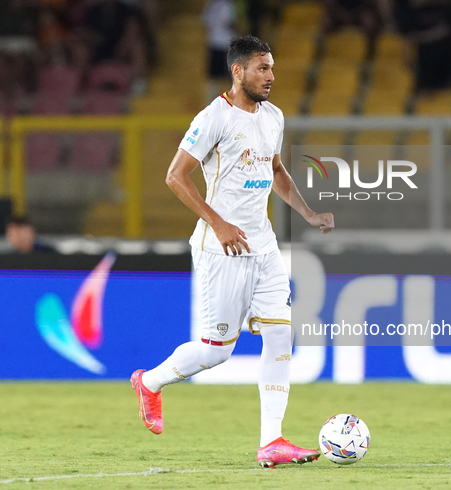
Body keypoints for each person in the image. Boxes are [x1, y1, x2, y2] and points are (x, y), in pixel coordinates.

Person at [131, 35, 335, 468]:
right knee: (216, 351)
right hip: (221, 249)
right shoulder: (213, 118)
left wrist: (308, 212)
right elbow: (175, 176)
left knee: (281, 332)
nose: (271, 77)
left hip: (262, 246)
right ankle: (149, 382)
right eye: (262, 68)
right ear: (238, 71)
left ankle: (271, 441)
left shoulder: (274, 116)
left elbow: (275, 169)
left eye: (273, 68)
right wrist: (218, 222)